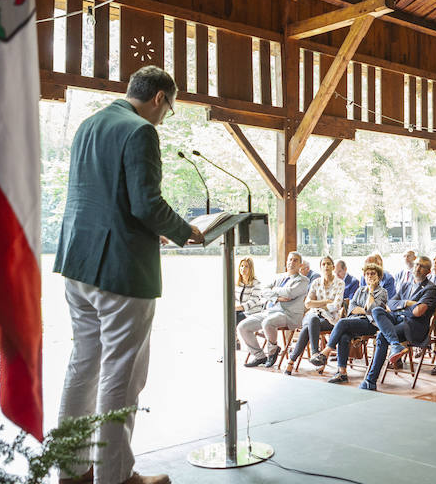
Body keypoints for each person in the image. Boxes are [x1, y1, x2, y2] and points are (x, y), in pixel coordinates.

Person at [54, 65, 205, 484]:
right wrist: (182, 231)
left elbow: (101, 196)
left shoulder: (89, 124)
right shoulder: (140, 131)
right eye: (169, 108)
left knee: (83, 366)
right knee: (122, 375)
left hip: (78, 263)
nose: (164, 116)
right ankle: (115, 477)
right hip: (120, 271)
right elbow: (145, 204)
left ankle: (71, 470)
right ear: (159, 98)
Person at [359, 256, 436, 391]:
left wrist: (401, 307)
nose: (417, 268)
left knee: (382, 337)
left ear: (428, 272)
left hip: (413, 326)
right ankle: (395, 345)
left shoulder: (430, 288)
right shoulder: (406, 284)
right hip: (398, 319)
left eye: (422, 266)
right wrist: (407, 303)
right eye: (416, 264)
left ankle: (371, 380)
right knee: (377, 310)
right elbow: (389, 303)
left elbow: (418, 312)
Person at [312, 263, 388, 383]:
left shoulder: (382, 292)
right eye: (367, 274)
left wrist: (371, 291)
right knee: (343, 336)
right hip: (355, 321)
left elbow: (373, 311)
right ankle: (342, 373)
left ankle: (325, 352)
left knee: (342, 322)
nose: (369, 276)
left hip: (370, 324)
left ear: (379, 276)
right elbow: (352, 307)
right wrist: (365, 310)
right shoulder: (360, 290)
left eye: (373, 274)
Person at [238, 251, 310, 368]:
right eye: (290, 259)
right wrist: (277, 297)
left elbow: (289, 293)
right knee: (243, 327)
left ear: (300, 264)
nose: (291, 262)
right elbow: (264, 290)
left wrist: (274, 290)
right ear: (287, 262)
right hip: (269, 311)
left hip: (288, 314)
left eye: (295, 260)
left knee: (268, 323)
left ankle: (272, 351)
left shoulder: (303, 280)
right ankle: (259, 356)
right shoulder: (279, 276)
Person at [284, 256, 345, 375]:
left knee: (309, 326)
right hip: (313, 317)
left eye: (328, 264)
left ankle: (292, 361)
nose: (326, 266)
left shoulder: (339, 283)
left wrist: (316, 304)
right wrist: (326, 302)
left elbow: (336, 306)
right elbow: (307, 303)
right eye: (323, 264)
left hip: (330, 319)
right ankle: (316, 354)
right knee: (313, 318)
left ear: (333, 267)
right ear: (320, 267)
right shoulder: (316, 282)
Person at [235, 257, 266, 325]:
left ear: (250, 269)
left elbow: (253, 301)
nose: (243, 268)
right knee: (228, 315)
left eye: (246, 266)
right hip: (239, 310)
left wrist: (239, 308)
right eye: (242, 266)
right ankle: (233, 335)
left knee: (235, 316)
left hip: (252, 312)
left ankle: (235, 335)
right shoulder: (237, 283)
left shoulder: (256, 283)